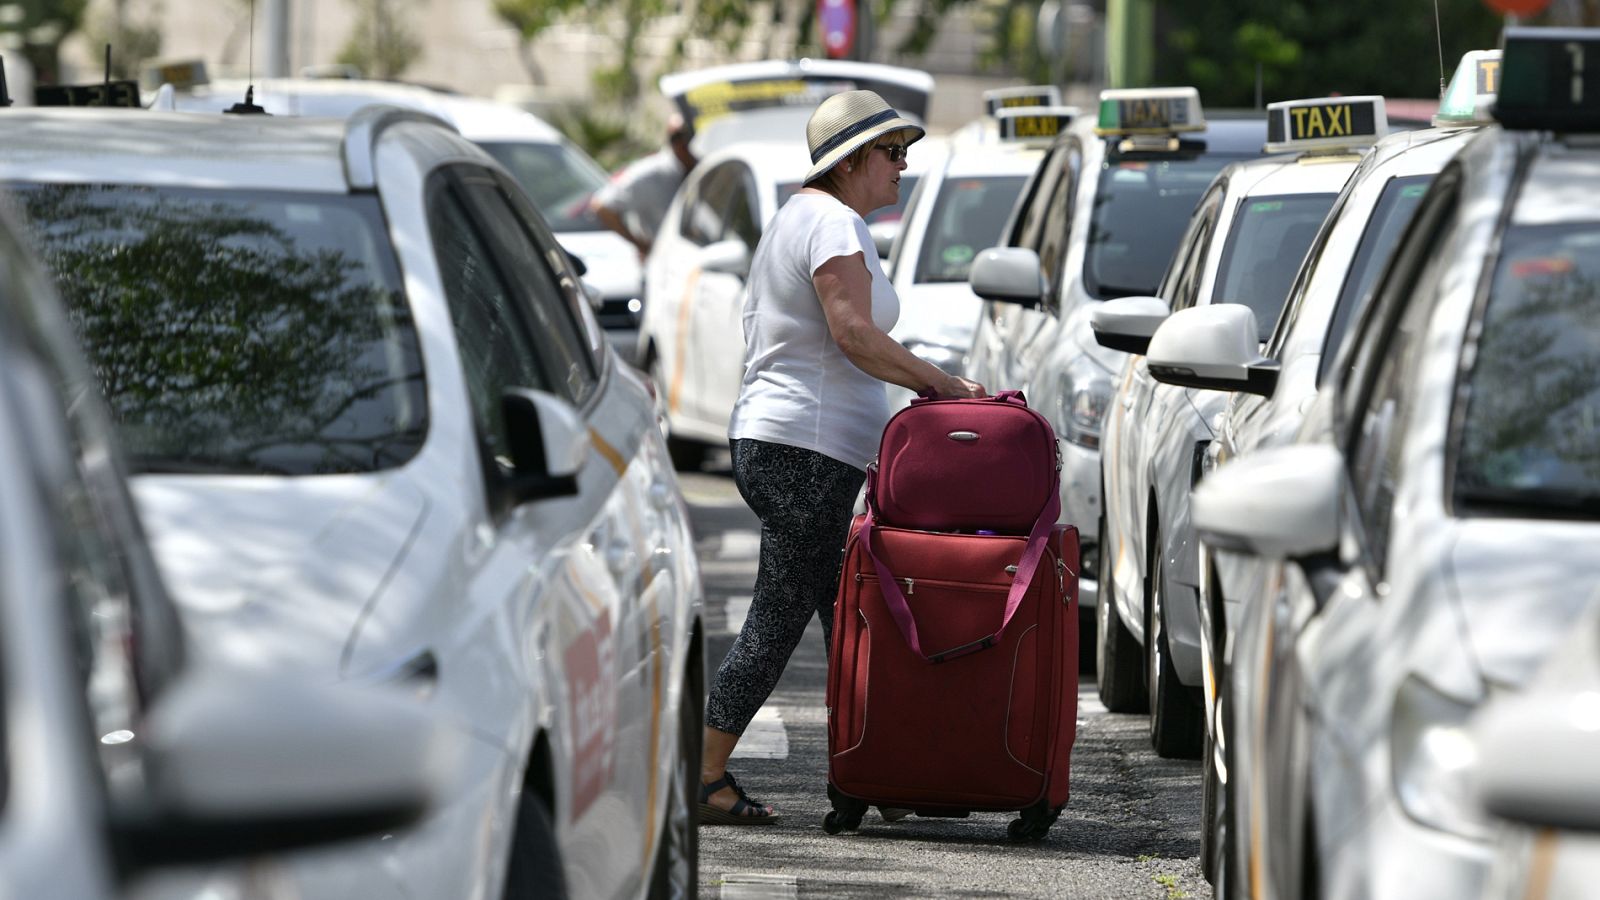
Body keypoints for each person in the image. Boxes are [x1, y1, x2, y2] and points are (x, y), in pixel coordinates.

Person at [699, 90, 987, 825]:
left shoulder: (803, 217)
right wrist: (941, 384)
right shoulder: (831, 220)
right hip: (803, 450)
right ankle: (702, 774)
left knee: (848, 618)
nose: (903, 165)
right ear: (851, 160)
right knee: (783, 617)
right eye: (892, 152)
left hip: (794, 447)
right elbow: (853, 332)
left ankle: (871, 772)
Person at [590, 112, 697, 257]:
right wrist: (642, 246)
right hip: (666, 260)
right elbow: (602, 206)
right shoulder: (650, 173)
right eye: (687, 137)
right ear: (679, 143)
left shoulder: (702, 165)